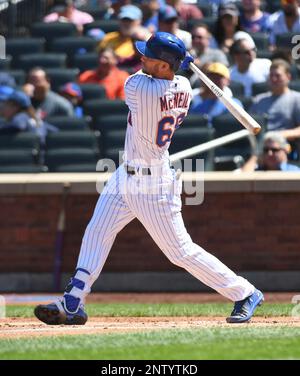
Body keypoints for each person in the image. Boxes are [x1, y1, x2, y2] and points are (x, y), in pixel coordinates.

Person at [34, 32, 264, 326]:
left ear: (165, 67)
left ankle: (245, 293)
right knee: (97, 232)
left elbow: (142, 75)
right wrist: (179, 61)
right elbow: (174, 76)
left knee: (180, 252)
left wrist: (179, 59)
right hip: (125, 174)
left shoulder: (139, 88)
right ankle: (73, 301)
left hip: (152, 185)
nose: (141, 58)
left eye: (149, 57)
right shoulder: (183, 86)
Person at [250, 59, 300, 159]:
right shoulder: (259, 100)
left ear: (288, 77)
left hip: (284, 147)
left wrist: (276, 135)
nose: (274, 79)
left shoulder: (296, 99)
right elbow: (249, 125)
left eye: (278, 76)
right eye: (271, 76)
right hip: (259, 147)